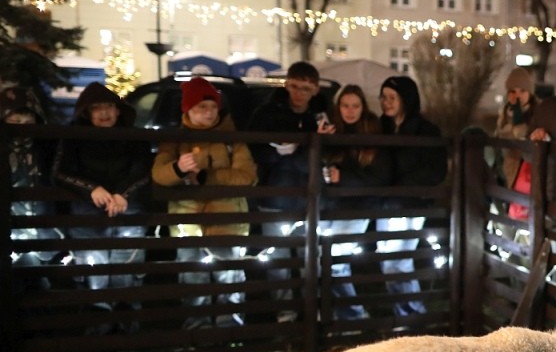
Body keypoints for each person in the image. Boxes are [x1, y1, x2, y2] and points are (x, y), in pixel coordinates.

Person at [151, 76, 258, 330]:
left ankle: (229, 333)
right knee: (193, 281)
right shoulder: (175, 139)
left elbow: (247, 177)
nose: (209, 113)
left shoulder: (232, 139)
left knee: (229, 280)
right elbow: (159, 174)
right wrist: (177, 168)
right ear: (188, 109)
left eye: (212, 107)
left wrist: (207, 175)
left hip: (228, 222)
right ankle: (197, 334)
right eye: (202, 107)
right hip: (187, 224)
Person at [52, 82, 153, 334]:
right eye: (96, 108)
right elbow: (60, 171)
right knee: (92, 279)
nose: (104, 113)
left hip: (128, 215)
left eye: (108, 106)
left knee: (127, 277)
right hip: (87, 220)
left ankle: (129, 339)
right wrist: (91, 189)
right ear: (87, 112)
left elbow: (144, 170)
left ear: (118, 110)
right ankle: (97, 340)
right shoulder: (74, 136)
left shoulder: (134, 136)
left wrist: (123, 193)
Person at [246, 61, 335, 322]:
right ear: (286, 85)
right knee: (278, 261)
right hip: (275, 196)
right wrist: (287, 152)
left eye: (306, 89)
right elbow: (256, 151)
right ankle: (286, 314)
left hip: (310, 197)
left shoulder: (320, 116)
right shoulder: (266, 113)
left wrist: (295, 151)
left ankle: (311, 312)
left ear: (315, 90)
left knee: (311, 257)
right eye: (295, 87)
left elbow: (323, 156)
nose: (299, 94)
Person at [378, 74, 447, 322]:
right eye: (383, 97)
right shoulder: (380, 127)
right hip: (385, 205)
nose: (386, 102)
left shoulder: (426, 131)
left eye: (392, 98)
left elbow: (435, 170)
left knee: (396, 264)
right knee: (392, 263)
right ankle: (408, 316)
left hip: (410, 205)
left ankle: (412, 315)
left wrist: (405, 185)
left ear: (405, 100)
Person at [322, 84, 392, 322]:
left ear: (363, 107)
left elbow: (379, 175)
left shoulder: (372, 132)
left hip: (357, 206)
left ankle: (353, 315)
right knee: (325, 261)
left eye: (355, 106)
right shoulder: (331, 130)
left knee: (335, 262)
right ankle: (339, 314)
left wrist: (344, 178)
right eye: (345, 105)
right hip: (330, 207)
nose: (350, 111)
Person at [3, 86, 62, 352]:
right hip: (8, 230)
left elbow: (57, 181)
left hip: (39, 229)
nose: (21, 125)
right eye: (14, 120)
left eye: (27, 119)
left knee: (37, 286)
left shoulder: (46, 146)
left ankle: (40, 347)